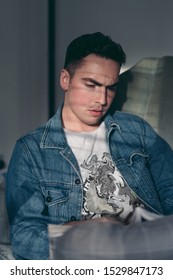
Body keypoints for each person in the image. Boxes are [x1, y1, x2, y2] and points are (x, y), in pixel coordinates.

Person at [6, 32, 173, 260]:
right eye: (91, 85)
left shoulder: (137, 130)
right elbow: (24, 236)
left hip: (152, 245)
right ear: (65, 80)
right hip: (91, 254)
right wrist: (80, 232)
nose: (102, 100)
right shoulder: (31, 150)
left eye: (110, 87)